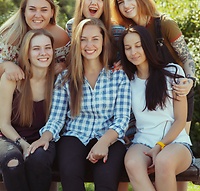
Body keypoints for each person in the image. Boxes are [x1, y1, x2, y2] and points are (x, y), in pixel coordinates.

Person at [27, 18, 131, 191]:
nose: (89, 44)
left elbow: (122, 120)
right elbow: (56, 118)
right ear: (77, 43)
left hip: (109, 138)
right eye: (83, 39)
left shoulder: (119, 77)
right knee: (70, 177)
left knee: (106, 182)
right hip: (74, 135)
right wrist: (44, 137)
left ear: (104, 42)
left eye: (95, 39)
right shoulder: (65, 78)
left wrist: (103, 143)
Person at [0, 0, 68, 191]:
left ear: (52, 12)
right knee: (8, 151)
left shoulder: (60, 36)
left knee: (42, 155)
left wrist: (62, 66)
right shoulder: (11, 34)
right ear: (23, 11)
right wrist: (7, 67)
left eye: (44, 9)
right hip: (9, 90)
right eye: (32, 9)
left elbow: (71, 60)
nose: (38, 15)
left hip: (45, 90)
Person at [119, 25, 194, 191]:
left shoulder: (173, 72)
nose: (133, 52)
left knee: (163, 161)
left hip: (175, 142)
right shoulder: (126, 81)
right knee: (132, 163)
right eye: (128, 48)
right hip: (142, 141)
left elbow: (181, 120)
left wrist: (160, 146)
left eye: (138, 46)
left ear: (148, 45)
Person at [0, 29, 57, 191]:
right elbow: (4, 123)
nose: (43, 53)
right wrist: (23, 144)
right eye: (36, 48)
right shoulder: (12, 78)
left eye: (47, 47)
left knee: (37, 160)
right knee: (12, 163)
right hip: (9, 138)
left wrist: (36, 144)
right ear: (27, 53)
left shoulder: (57, 80)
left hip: (43, 139)